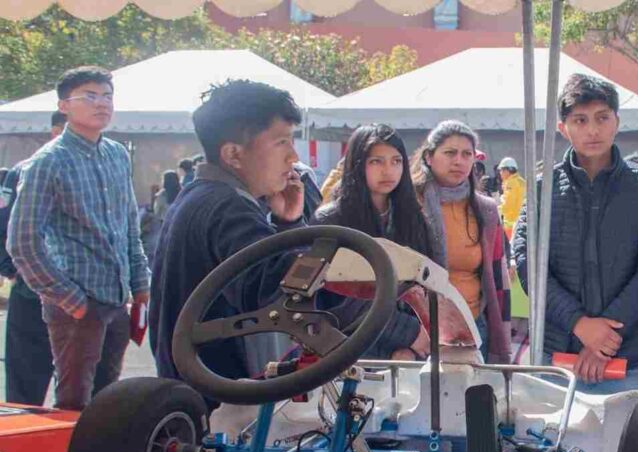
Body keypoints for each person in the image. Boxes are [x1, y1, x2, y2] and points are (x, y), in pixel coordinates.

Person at [513, 74, 638, 396]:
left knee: (625, 446)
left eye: (602, 118)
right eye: (580, 120)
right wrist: (579, 325)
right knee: (551, 445)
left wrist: (603, 340)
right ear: (563, 128)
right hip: (556, 353)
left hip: (627, 356)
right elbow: (529, 264)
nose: (593, 130)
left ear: (617, 121)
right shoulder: (543, 188)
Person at [149, 80, 305, 403]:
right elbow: (275, 286)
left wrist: (287, 222)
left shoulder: (199, 195)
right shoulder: (227, 207)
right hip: (223, 404)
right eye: (281, 142)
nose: (293, 156)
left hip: (192, 391)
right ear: (233, 154)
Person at [8, 68, 147, 411]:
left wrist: (140, 285)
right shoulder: (47, 162)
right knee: (73, 402)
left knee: (105, 400)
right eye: (90, 96)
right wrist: (68, 297)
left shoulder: (116, 154)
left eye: (107, 96)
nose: (101, 103)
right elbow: (22, 243)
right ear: (64, 106)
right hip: (78, 302)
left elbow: (129, 224)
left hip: (116, 299)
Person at [314, 124, 432, 361]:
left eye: (396, 161)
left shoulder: (413, 217)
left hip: (412, 349)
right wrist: (408, 335)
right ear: (357, 164)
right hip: (351, 348)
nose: (388, 170)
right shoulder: (332, 220)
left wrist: (416, 343)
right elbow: (336, 298)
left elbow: (425, 283)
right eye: (376, 161)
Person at [412, 120, 511, 363]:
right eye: (450, 153)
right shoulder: (409, 205)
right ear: (429, 157)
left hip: (475, 328)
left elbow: (498, 279)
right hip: (421, 334)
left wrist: (502, 338)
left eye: (467, 154)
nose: (459, 161)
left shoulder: (486, 210)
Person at [0, 111, 66, 405]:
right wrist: (13, 270)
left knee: (83, 394)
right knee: (25, 389)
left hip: (89, 297)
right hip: (33, 294)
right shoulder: (26, 170)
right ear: (55, 130)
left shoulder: (108, 169)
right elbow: (3, 226)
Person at [496, 157, 526, 238]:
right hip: (522, 221)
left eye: (501, 170)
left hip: (511, 224)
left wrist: (496, 209)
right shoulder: (521, 181)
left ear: (508, 170)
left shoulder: (510, 183)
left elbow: (508, 205)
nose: (500, 173)